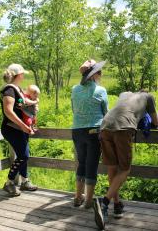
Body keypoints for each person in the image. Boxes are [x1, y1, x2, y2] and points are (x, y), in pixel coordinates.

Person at [93, 90, 158, 230]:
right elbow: (156, 122)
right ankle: (104, 202)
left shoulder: (124, 94)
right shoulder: (148, 97)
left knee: (112, 167)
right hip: (123, 128)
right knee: (125, 169)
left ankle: (116, 205)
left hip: (104, 126)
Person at [71, 60, 108, 209]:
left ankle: (78, 197)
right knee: (91, 165)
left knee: (82, 163)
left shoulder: (74, 89)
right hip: (94, 131)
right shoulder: (101, 90)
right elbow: (106, 113)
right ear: (95, 75)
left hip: (77, 130)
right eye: (99, 72)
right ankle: (88, 201)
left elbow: (74, 109)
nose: (101, 74)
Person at [0, 63, 38, 197]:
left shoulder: (18, 89)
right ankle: (9, 182)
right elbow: (8, 112)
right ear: (19, 75)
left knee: (23, 155)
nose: (23, 76)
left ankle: (25, 181)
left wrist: (34, 102)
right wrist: (23, 125)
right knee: (24, 155)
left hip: (20, 128)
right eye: (22, 74)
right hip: (12, 128)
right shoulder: (8, 90)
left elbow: (24, 103)